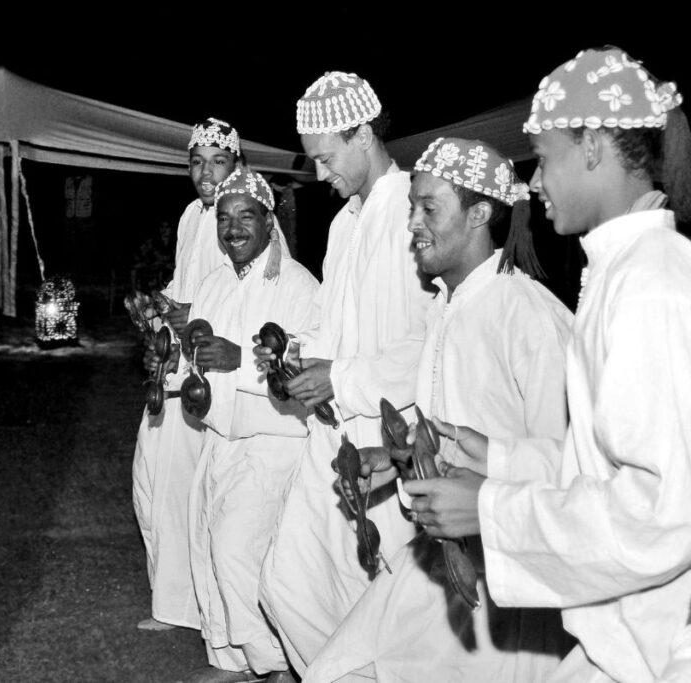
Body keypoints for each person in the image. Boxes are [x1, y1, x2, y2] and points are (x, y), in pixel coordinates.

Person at [406, 47, 691, 682]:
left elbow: (661, 513)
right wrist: (499, 460)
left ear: (592, 146)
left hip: (655, 647)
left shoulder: (652, 285)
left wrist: (491, 510)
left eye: (546, 157)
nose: (533, 183)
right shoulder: (623, 273)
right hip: (618, 635)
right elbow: (604, 467)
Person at [304, 138, 573, 683]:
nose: (413, 225)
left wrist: (487, 502)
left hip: (509, 586)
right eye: (412, 208)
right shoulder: (443, 307)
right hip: (436, 558)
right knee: (339, 666)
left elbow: (569, 468)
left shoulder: (527, 314)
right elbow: (453, 435)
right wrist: (393, 459)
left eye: (430, 209)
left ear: (479, 215)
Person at [256, 71, 431, 675]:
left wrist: (344, 377)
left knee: (388, 596)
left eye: (327, 158)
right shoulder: (342, 224)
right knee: (287, 582)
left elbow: (432, 338)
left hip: (394, 438)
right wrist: (299, 359)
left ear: (363, 134)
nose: (321, 174)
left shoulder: (418, 207)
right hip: (333, 431)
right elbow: (336, 327)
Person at [176, 168, 318, 683]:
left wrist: (238, 361)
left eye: (245, 217)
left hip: (273, 438)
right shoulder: (214, 283)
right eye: (225, 219)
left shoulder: (298, 284)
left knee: (238, 548)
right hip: (221, 437)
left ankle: (275, 662)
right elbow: (195, 356)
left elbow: (306, 363)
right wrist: (180, 366)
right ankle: (233, 660)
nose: (233, 229)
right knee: (209, 543)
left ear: (267, 222)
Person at [131, 118, 242, 631]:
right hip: (176, 360)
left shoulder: (243, 214)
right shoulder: (191, 215)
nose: (206, 172)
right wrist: (156, 313)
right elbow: (183, 282)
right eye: (197, 161)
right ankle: (173, 602)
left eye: (218, 161)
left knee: (191, 490)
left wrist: (192, 312)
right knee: (153, 479)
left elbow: (250, 296)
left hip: (213, 369)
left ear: (235, 164)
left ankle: (202, 610)